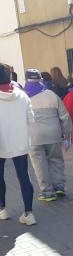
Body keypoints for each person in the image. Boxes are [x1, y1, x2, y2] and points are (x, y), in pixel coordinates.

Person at [25, 69, 72, 200]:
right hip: (53, 134)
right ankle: (59, 186)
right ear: (40, 79)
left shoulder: (23, 96)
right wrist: (67, 135)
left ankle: (47, 192)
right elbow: (65, 116)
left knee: (39, 164)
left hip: (33, 136)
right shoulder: (51, 94)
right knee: (56, 160)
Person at [0, 64, 36, 225]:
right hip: (20, 143)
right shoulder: (22, 96)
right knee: (24, 177)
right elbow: (31, 120)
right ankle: (29, 213)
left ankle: (2, 209)